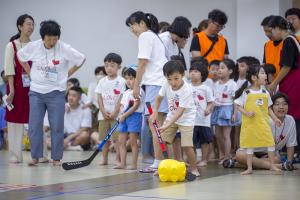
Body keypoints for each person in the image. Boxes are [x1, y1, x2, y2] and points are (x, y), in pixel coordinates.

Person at [17, 20, 86, 166]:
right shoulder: (34, 46)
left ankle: (56, 158)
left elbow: (81, 59)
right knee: (35, 126)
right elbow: (20, 56)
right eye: (49, 39)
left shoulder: (64, 48)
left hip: (56, 93)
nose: (52, 42)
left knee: (57, 126)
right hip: (36, 92)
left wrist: (67, 74)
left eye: (55, 39)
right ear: (43, 37)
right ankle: (35, 156)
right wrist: (29, 72)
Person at [126, 11, 168, 172]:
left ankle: (158, 162)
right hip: (159, 84)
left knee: (155, 124)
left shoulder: (145, 36)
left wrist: (136, 86)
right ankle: (161, 161)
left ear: (142, 23)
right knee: (158, 124)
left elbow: (142, 62)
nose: (132, 30)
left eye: (133, 26)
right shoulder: (153, 36)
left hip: (155, 85)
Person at [150, 60, 200, 177]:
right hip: (172, 116)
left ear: (182, 75)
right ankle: (166, 166)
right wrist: (155, 112)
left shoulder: (187, 89)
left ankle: (194, 169)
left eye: (176, 78)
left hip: (186, 119)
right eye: (169, 79)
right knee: (163, 141)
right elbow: (158, 98)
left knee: (187, 145)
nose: (173, 82)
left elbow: (179, 112)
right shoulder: (166, 84)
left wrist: (167, 124)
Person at [234, 65, 281, 175]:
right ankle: (249, 168)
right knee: (250, 146)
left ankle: (272, 166)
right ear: (254, 78)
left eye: (265, 73)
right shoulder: (247, 92)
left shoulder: (265, 93)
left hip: (263, 124)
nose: (265, 75)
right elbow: (238, 105)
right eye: (262, 73)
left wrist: (275, 119)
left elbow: (268, 108)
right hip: (250, 125)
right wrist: (246, 113)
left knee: (270, 143)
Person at [232, 92, 297, 171]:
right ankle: (279, 166)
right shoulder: (266, 120)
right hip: (252, 151)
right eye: (277, 104)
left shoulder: (290, 120)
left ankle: (239, 164)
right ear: (271, 107)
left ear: (288, 106)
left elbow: (291, 144)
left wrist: (289, 162)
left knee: (277, 159)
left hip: (269, 154)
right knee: (240, 155)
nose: (281, 107)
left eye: (284, 104)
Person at [267, 16, 300, 158]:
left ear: (277, 28)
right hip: (292, 81)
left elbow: (287, 66)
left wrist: (274, 83)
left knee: (293, 115)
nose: (270, 35)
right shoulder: (293, 39)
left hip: (293, 81)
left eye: (271, 31)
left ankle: (294, 152)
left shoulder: (288, 41)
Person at [4, 14, 34, 163]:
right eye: (28, 24)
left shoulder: (35, 45)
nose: (31, 27)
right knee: (14, 121)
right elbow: (9, 69)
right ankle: (15, 155)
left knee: (35, 120)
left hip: (32, 89)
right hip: (15, 88)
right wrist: (11, 91)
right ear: (20, 27)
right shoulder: (12, 45)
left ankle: (39, 155)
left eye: (32, 24)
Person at [94, 53, 125, 166]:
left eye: (112, 65)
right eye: (106, 65)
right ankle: (104, 159)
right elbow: (99, 97)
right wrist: (102, 111)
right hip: (103, 116)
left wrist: (116, 112)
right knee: (104, 139)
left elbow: (122, 97)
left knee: (116, 139)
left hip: (116, 116)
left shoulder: (121, 81)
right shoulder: (102, 81)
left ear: (119, 67)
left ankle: (118, 159)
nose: (109, 68)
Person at [45, 86, 92, 151]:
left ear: (80, 98)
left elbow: (85, 128)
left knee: (85, 135)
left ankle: (62, 146)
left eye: (74, 96)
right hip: (64, 135)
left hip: (76, 136)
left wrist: (68, 139)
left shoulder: (85, 109)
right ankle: (70, 148)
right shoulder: (64, 107)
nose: (70, 98)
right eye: (69, 95)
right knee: (45, 140)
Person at [116, 65, 144, 170]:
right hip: (123, 118)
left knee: (133, 141)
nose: (128, 81)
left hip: (134, 117)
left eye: (131, 78)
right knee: (121, 141)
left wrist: (124, 115)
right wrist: (121, 113)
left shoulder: (138, 91)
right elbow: (122, 106)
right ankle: (122, 163)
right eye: (126, 78)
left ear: (137, 79)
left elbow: (135, 106)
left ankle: (134, 164)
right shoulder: (126, 93)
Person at [211, 58, 237, 164]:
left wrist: (235, 113)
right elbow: (214, 97)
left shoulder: (232, 84)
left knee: (226, 135)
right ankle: (222, 154)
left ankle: (227, 157)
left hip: (227, 109)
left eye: (222, 68)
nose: (219, 70)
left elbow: (236, 100)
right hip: (217, 109)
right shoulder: (216, 84)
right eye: (218, 68)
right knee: (218, 134)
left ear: (230, 71)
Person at [189, 61, 214, 166]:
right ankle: (193, 159)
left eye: (196, 71)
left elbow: (211, 102)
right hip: (190, 120)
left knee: (205, 141)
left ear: (202, 75)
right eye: (191, 71)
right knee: (191, 141)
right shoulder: (186, 87)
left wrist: (208, 109)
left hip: (203, 120)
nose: (192, 73)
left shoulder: (206, 88)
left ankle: (204, 159)